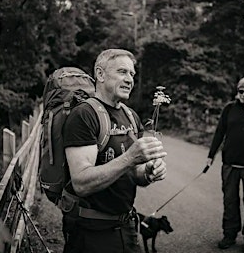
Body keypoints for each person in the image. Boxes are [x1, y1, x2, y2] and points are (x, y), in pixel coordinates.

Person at [61, 49, 167, 253]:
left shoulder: (130, 115)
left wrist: (148, 172)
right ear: (100, 74)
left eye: (132, 74)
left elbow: (134, 174)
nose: (130, 79)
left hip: (127, 226)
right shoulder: (84, 115)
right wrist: (130, 157)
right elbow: (81, 183)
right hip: (92, 232)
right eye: (122, 72)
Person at [206, 77, 244, 253]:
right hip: (230, 164)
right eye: (241, 91)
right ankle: (229, 234)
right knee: (230, 201)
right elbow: (220, 132)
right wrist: (211, 155)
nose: (243, 95)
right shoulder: (229, 109)